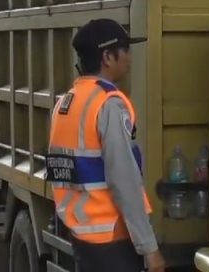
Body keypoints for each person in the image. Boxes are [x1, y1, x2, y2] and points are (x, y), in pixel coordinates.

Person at [46, 19, 165, 272]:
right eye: (125, 51)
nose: (130, 58)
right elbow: (123, 179)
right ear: (108, 57)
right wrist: (149, 247)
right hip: (113, 239)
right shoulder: (108, 104)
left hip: (82, 236)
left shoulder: (66, 102)